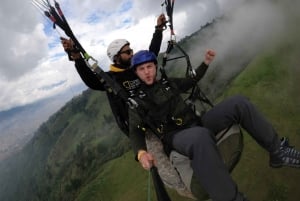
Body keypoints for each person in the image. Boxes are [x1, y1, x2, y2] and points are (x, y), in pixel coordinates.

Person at [128, 49, 300, 201]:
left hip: (196, 123)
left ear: (155, 67)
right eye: (142, 69)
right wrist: (141, 152)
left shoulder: (167, 83)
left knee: (238, 102)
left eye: (149, 67)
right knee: (199, 136)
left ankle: (278, 151)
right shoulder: (137, 101)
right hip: (175, 137)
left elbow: (190, 80)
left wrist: (205, 63)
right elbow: (135, 130)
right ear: (136, 73)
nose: (147, 72)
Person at [61, 14, 166, 135]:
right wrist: (77, 57)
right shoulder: (110, 79)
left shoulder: (136, 69)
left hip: (157, 118)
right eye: (127, 52)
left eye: (131, 50)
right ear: (116, 57)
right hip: (142, 131)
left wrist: (158, 29)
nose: (132, 53)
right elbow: (91, 80)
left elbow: (152, 53)